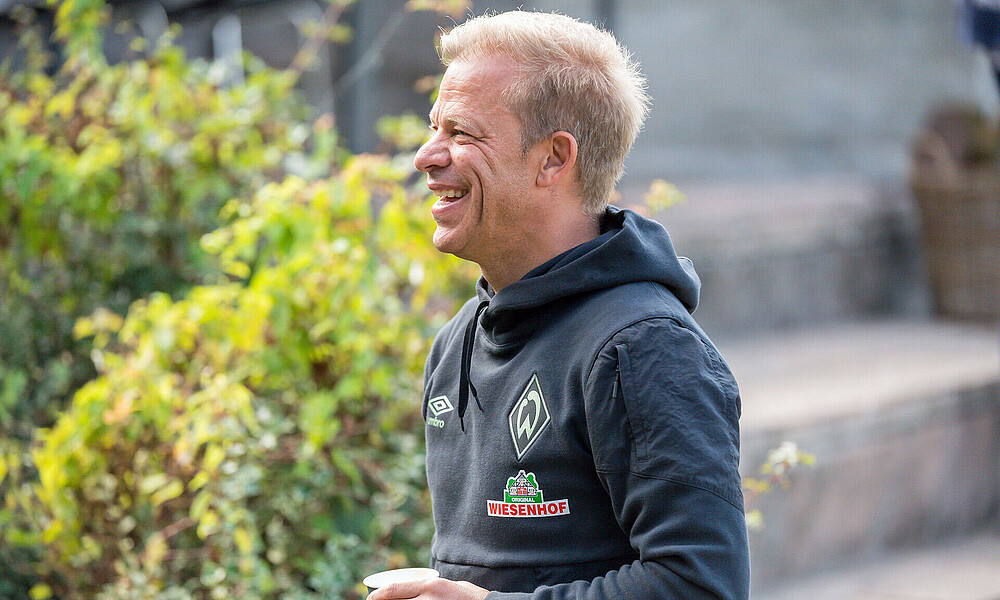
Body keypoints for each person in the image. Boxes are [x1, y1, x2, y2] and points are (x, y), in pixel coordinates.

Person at [369, 10, 749, 600]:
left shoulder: (643, 349)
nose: (426, 155)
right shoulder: (457, 343)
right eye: (435, 128)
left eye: (462, 133)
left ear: (553, 158)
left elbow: (699, 586)